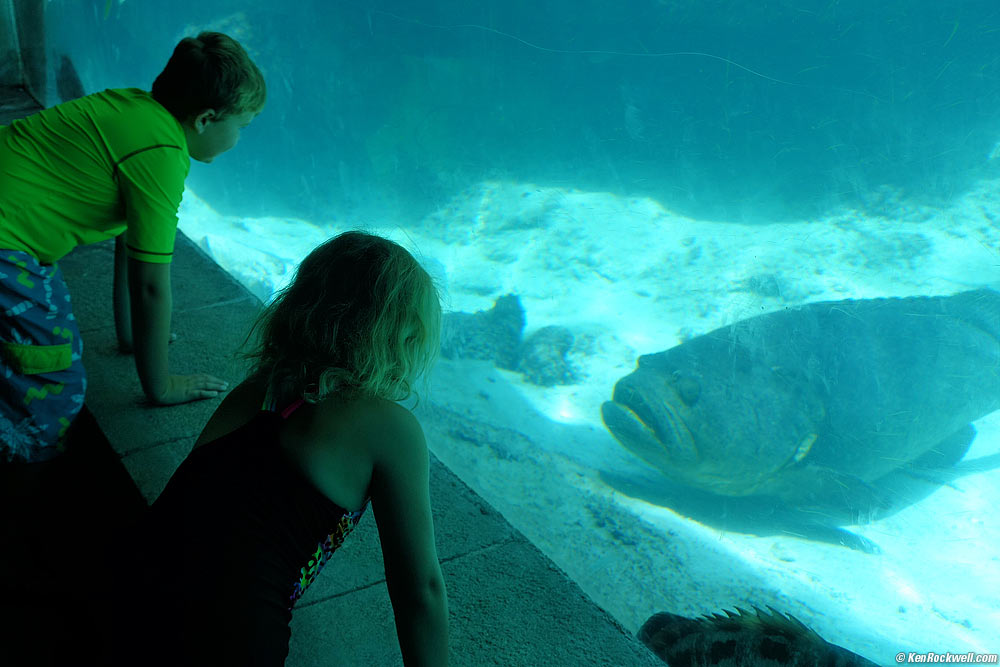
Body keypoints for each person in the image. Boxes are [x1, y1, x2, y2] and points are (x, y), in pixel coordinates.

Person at [102, 231, 451, 666]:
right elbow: (421, 589)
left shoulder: (256, 391)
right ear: (405, 334)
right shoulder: (390, 427)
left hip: (127, 588)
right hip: (226, 641)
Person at [0, 31, 265, 465]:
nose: (240, 139)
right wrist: (160, 385)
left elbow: (130, 248)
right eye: (243, 125)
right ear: (206, 119)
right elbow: (150, 286)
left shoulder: (132, 107)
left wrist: (132, 340)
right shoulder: (162, 152)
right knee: (56, 384)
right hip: (5, 245)